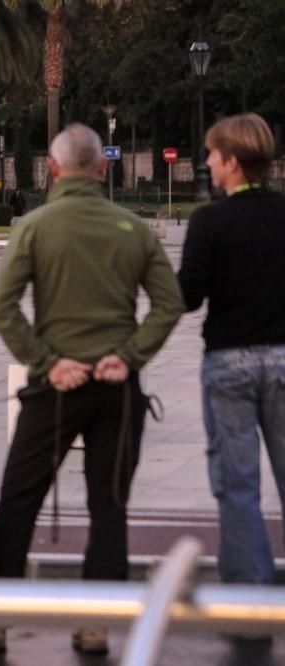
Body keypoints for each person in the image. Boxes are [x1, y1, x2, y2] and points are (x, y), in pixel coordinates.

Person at [0, 123, 184, 657]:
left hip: (57, 384)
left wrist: (45, 361)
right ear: (102, 167)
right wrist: (131, 354)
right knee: (109, 506)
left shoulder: (35, 227)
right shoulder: (132, 228)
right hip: (117, 386)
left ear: (51, 170)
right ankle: (96, 622)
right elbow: (169, 304)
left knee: (18, 501)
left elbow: (2, 306)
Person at [178, 113, 285, 603]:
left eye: (212, 157)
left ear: (233, 163)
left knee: (237, 485)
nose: (207, 164)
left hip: (229, 362)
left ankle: (249, 592)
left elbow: (190, 296)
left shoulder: (210, 222)